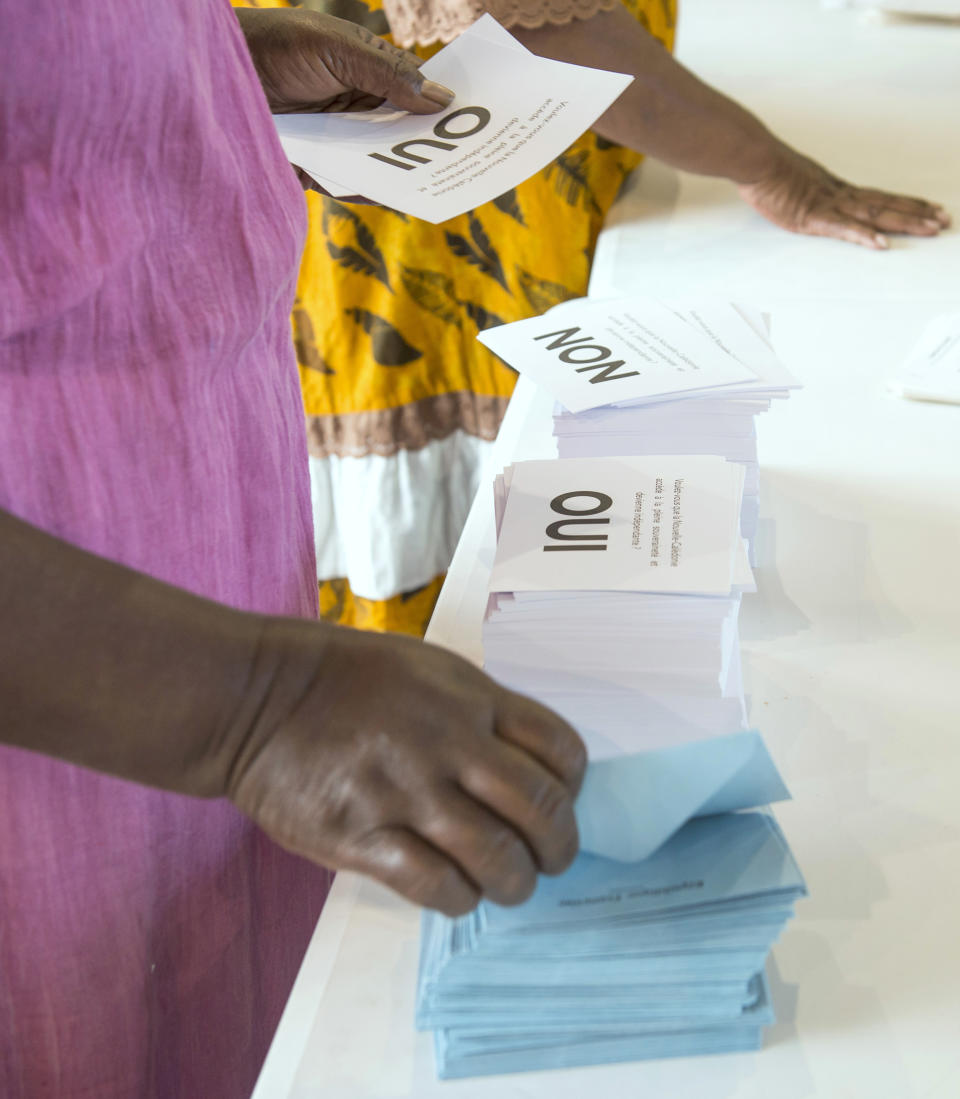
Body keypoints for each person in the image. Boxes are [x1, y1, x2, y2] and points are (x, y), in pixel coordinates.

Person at [0, 5, 585, 1097]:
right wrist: (254, 700)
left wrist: (193, 63)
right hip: (66, 679)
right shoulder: (241, 699)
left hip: (198, 568)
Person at [276, 0, 950, 635]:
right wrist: (773, 168)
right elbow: (542, 29)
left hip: (525, 169)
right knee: (525, 545)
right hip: (450, 218)